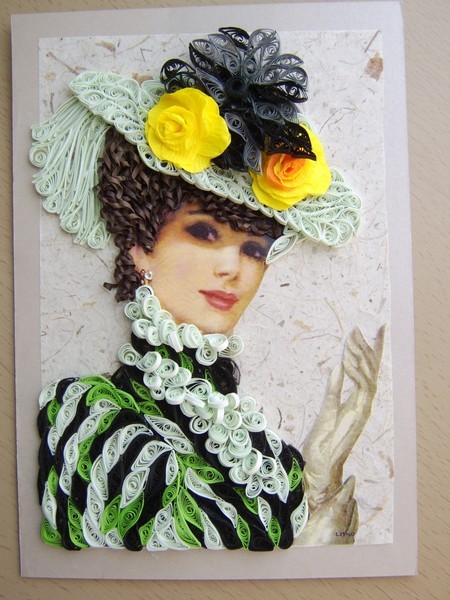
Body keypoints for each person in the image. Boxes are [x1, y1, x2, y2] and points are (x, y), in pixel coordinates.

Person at [31, 27, 384, 551]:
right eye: (203, 233)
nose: (233, 269)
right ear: (140, 244)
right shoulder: (94, 419)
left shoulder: (254, 443)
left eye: (255, 249)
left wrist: (322, 465)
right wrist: (312, 533)